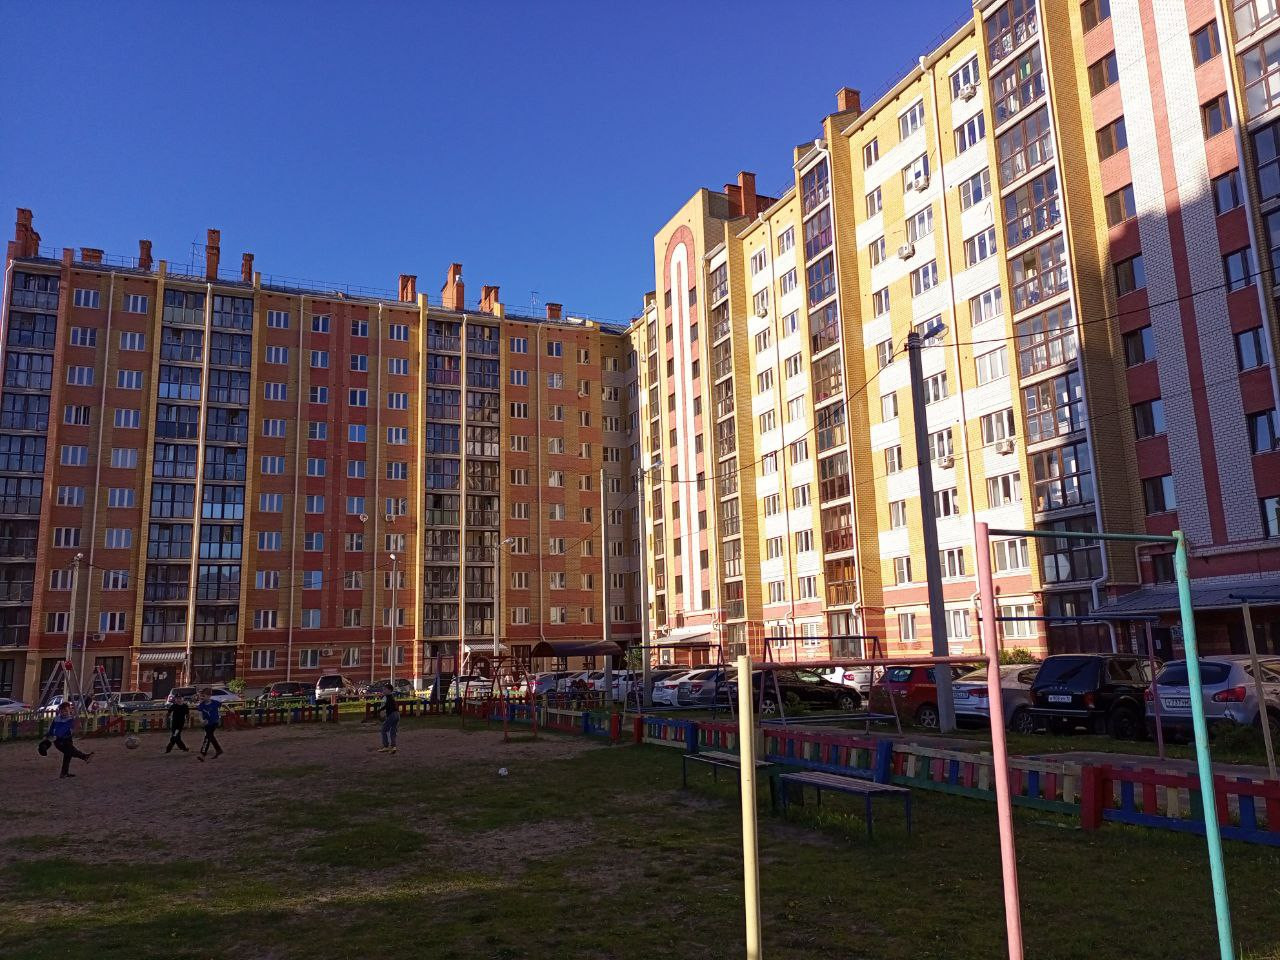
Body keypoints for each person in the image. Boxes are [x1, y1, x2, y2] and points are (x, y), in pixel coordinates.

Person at [49, 702, 93, 779]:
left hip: (68, 739)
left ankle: (64, 773)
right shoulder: (57, 719)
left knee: (68, 755)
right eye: (63, 711)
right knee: (71, 751)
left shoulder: (70, 719)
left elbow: (76, 728)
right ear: (60, 711)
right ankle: (85, 757)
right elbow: (52, 729)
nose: (65, 713)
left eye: (66, 711)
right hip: (59, 741)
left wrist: (77, 725)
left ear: (69, 711)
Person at [195, 689, 223, 760]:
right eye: (201, 696)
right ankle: (218, 750)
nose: (202, 698)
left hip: (214, 723)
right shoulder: (201, 705)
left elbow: (223, 705)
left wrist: (230, 710)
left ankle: (203, 754)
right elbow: (200, 715)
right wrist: (202, 721)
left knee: (207, 737)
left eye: (203, 696)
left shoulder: (215, 702)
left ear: (209, 696)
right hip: (207, 724)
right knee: (210, 737)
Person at [374, 689, 399, 754]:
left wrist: (380, 710)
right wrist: (380, 710)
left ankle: (386, 746)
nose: (383, 691)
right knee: (393, 731)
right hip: (397, 715)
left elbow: (387, 706)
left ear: (388, 690)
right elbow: (387, 705)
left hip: (392, 715)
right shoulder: (390, 697)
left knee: (384, 730)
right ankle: (393, 747)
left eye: (385, 689)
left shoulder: (389, 697)